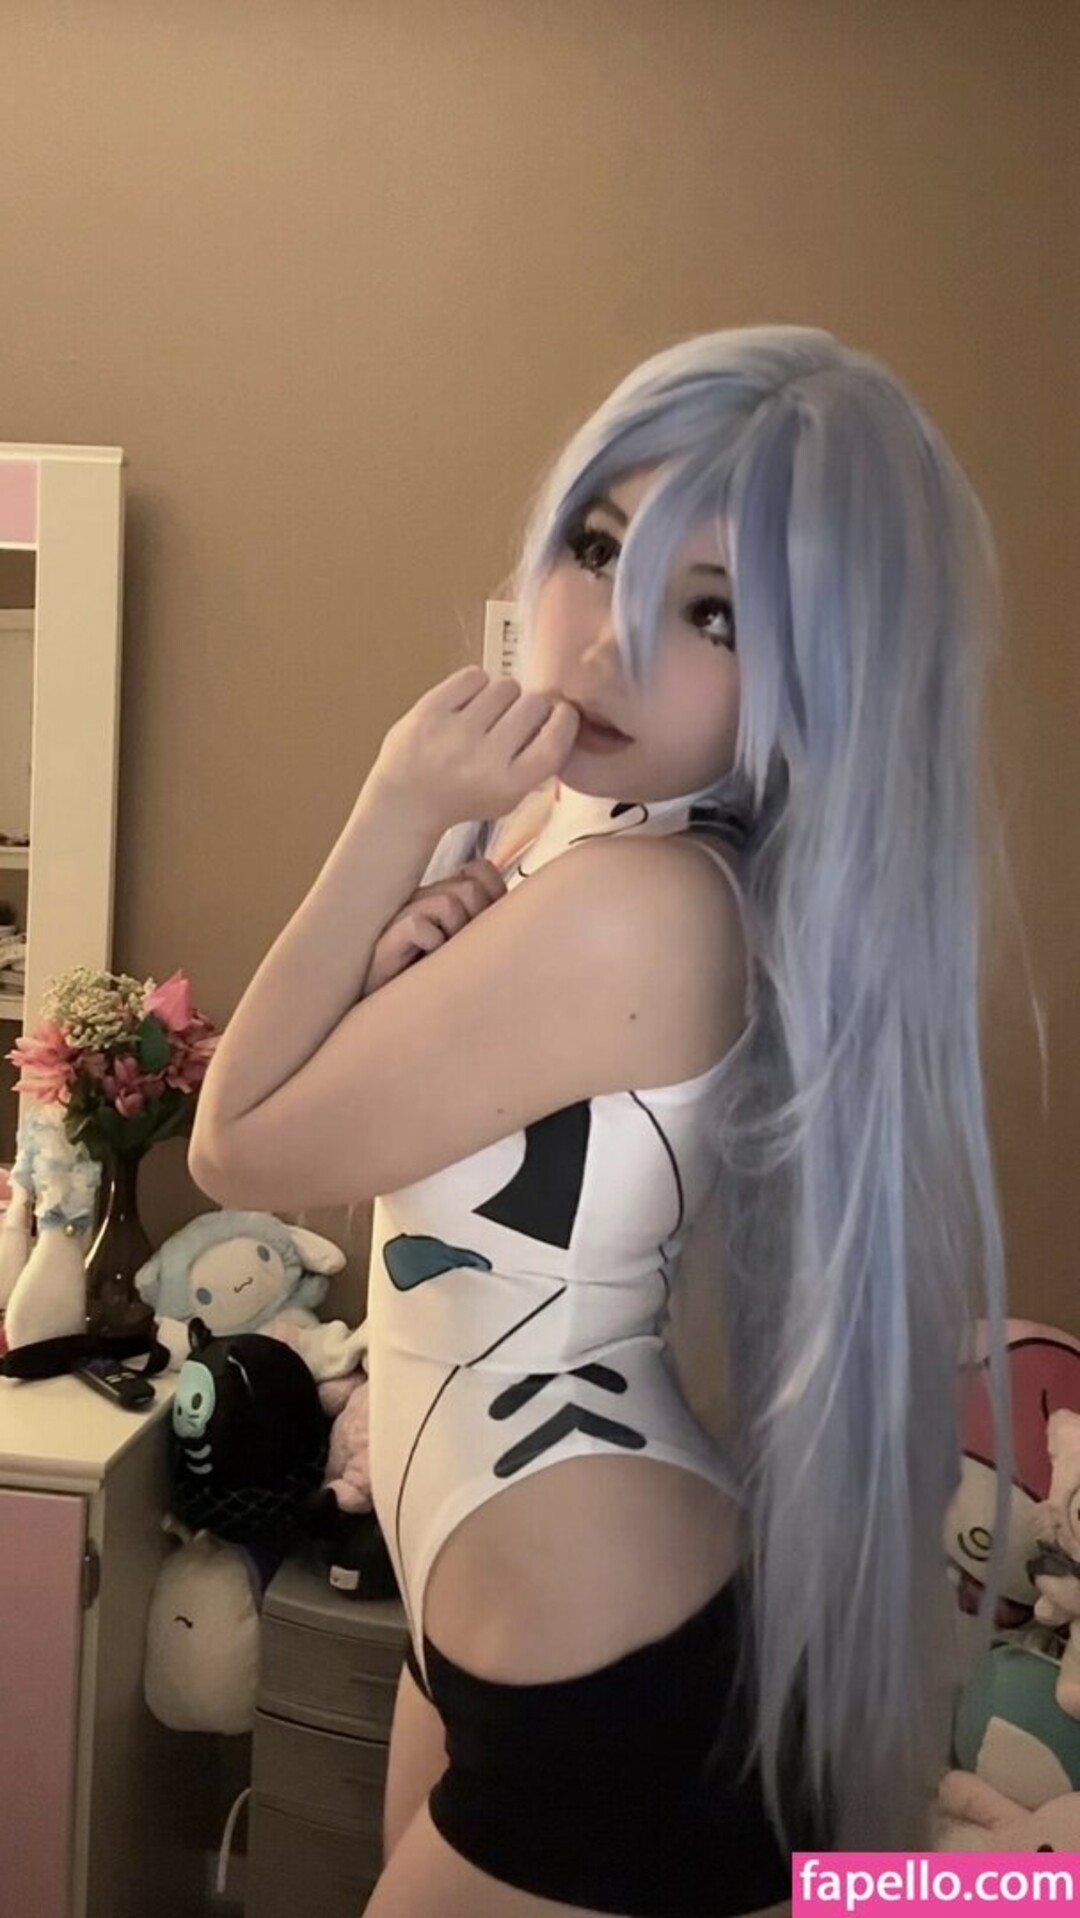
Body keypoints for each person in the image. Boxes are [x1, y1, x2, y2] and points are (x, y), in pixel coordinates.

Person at [190, 325, 1015, 1916]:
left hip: (599, 1662)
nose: (612, 639)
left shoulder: (639, 902)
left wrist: (394, 803)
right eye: (599, 547)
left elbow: (237, 1144)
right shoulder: (577, 838)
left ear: (823, 676)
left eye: (713, 613)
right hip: (503, 1605)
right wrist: (403, 944)